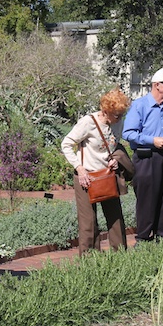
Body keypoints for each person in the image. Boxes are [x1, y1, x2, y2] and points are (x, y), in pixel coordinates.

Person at [61, 88, 132, 254]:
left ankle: (120, 256)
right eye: (116, 115)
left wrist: (115, 160)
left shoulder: (117, 121)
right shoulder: (88, 123)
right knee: (88, 223)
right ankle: (90, 262)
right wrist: (80, 168)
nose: (120, 119)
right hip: (87, 178)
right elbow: (66, 144)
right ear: (105, 111)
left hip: (107, 176)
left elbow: (114, 145)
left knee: (115, 219)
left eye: (122, 114)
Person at [123, 68, 163, 241]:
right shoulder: (139, 105)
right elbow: (128, 133)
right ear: (157, 85)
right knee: (147, 200)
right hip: (146, 157)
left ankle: (162, 236)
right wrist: (151, 140)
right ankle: (143, 239)